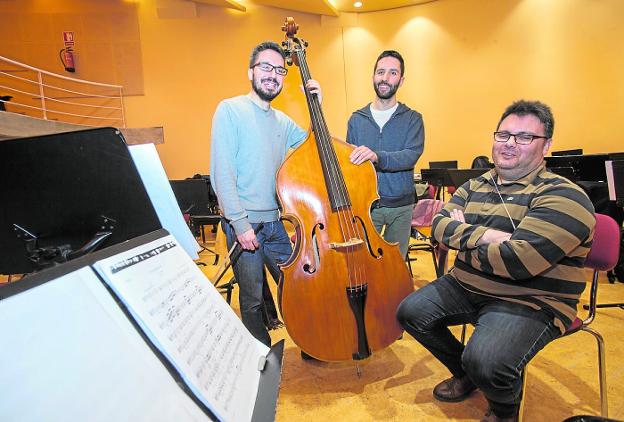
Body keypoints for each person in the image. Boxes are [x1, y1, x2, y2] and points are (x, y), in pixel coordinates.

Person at [396, 100, 595, 422]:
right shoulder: (475, 185)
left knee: (487, 359)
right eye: (503, 135)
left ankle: (504, 411)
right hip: (465, 285)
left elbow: (519, 262)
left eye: (524, 137)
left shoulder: (565, 196)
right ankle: (467, 374)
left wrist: (464, 235)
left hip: (531, 298)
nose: (509, 144)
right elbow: (439, 226)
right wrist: (489, 236)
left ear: (546, 146)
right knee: (410, 312)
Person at [210, 41, 321, 347]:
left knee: (299, 286)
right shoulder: (230, 110)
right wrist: (240, 224)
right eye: (265, 67)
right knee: (253, 299)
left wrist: (317, 105)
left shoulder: (283, 121)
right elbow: (222, 174)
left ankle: (312, 344)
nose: (273, 74)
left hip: (276, 224)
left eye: (280, 70)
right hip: (245, 225)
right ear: (251, 72)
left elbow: (313, 147)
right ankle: (262, 357)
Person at [346, 50, 424, 258]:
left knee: (395, 266)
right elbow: (351, 164)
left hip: (402, 207)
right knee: (363, 262)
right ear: (373, 76)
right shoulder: (356, 119)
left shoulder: (413, 119)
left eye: (392, 73)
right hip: (366, 208)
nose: (385, 78)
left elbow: (410, 155)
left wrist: (376, 156)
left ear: (401, 79)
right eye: (381, 72)